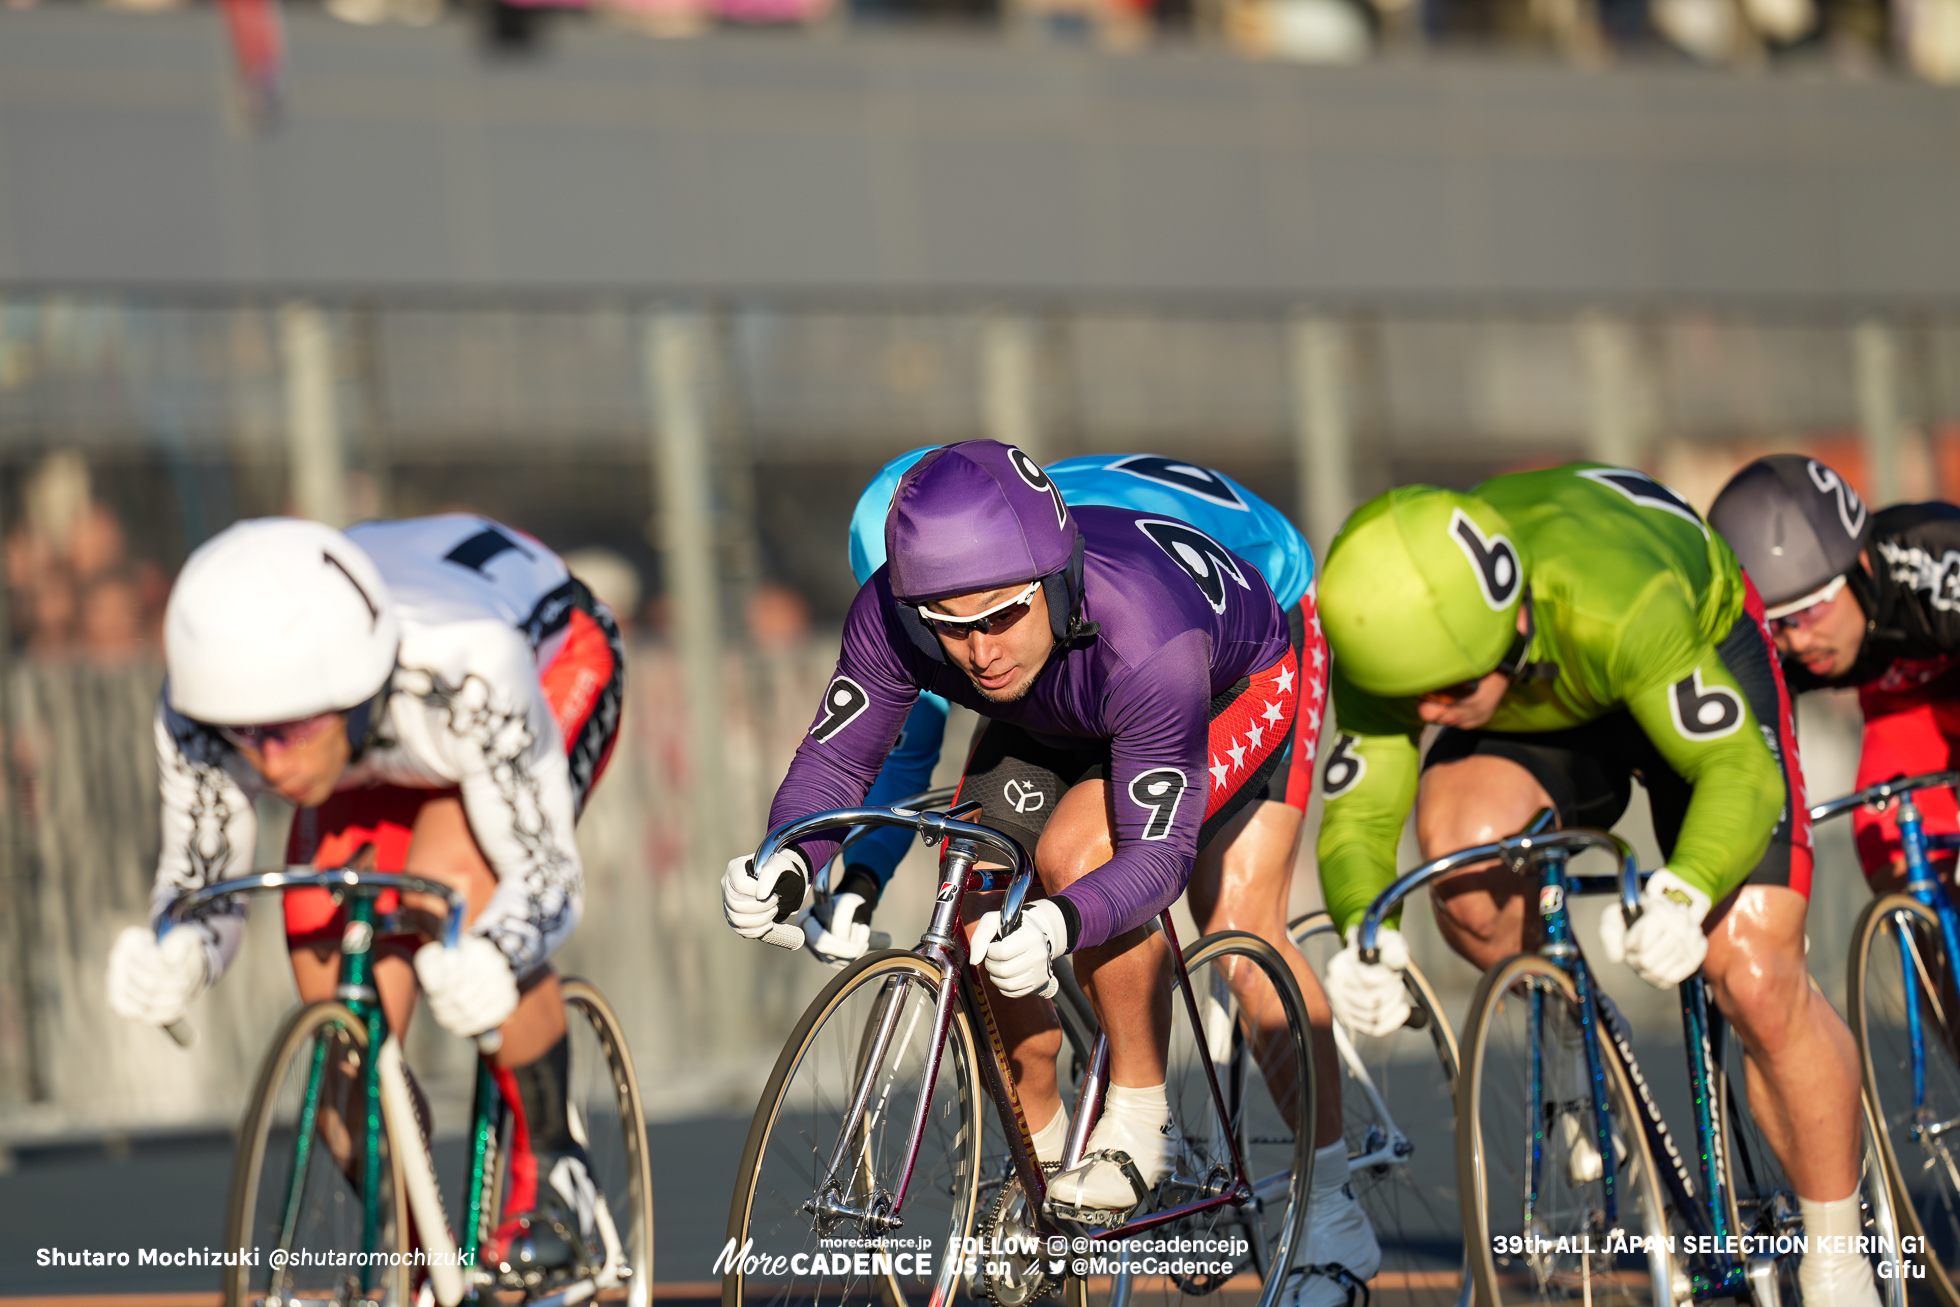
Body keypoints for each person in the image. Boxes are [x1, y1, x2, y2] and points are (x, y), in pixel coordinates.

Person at [722, 439, 1362, 1300]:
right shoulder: (901, 608)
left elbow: (1157, 854)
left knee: (1180, 904)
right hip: (1066, 686)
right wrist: (792, 859)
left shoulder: (1144, 626)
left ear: (1055, 579)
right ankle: (1046, 1161)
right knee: (975, 884)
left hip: (1235, 663)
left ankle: (1181, 1136)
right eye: (948, 626)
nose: (979, 653)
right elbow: (845, 763)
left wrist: (1065, 918)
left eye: (998, 616)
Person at [1315, 464, 1877, 1307]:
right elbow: (1359, 820)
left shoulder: (1623, 598)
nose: (1430, 713)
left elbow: (1739, 772)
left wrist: (1687, 892)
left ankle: (1840, 1261)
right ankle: (1578, 1055)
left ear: (1507, 631)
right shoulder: (1389, 633)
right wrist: (1365, 930)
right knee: (1465, 869)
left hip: (1681, 643)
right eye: (1411, 701)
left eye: (1452, 692)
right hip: (1543, 707)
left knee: (1753, 971)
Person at [104, 514, 624, 1284]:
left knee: (457, 883)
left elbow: (546, 876)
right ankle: (419, 1262)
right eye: (244, 735)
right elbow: (200, 875)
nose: (270, 761)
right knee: (336, 1006)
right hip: (381, 714)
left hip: (544, 648)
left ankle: (554, 1175)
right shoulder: (202, 704)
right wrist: (180, 949)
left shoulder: (466, 672)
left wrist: (496, 949)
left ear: (350, 693)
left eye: (289, 730)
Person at [1710, 453, 1960, 891]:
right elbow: (1749, 769)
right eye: (1775, 623)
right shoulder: (1780, 646)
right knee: (1905, 881)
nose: (1798, 640)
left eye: (1809, 610)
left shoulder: (1937, 564)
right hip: (1899, 715)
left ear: (1860, 566)